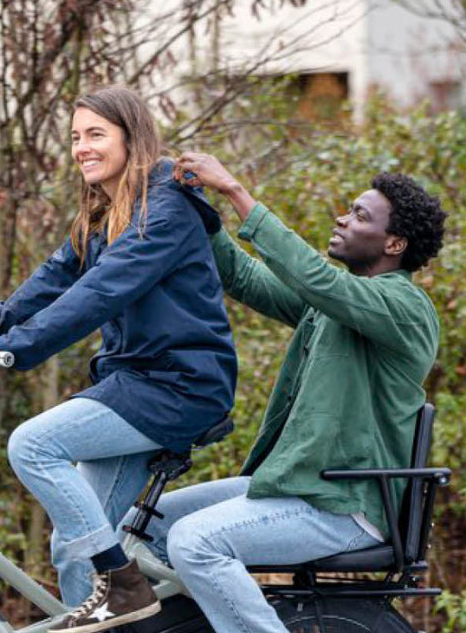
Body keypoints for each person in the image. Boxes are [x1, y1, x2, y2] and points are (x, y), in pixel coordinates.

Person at [0, 88, 237, 633]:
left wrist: (13, 350)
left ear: (133, 138)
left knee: (33, 444)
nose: (81, 148)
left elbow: (98, 294)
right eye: (76, 137)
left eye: (95, 135)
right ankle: (115, 593)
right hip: (136, 384)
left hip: (179, 386)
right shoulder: (103, 211)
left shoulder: (165, 209)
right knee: (75, 547)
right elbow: (47, 285)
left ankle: (124, 584)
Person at [136, 152, 446, 633]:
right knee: (143, 528)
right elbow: (243, 277)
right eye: (349, 209)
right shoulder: (339, 304)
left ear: (395, 243)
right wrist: (196, 209)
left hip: (343, 505)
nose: (343, 218)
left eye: (360, 216)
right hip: (297, 486)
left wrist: (236, 192)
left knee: (195, 542)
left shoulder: (404, 307)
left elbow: (313, 278)